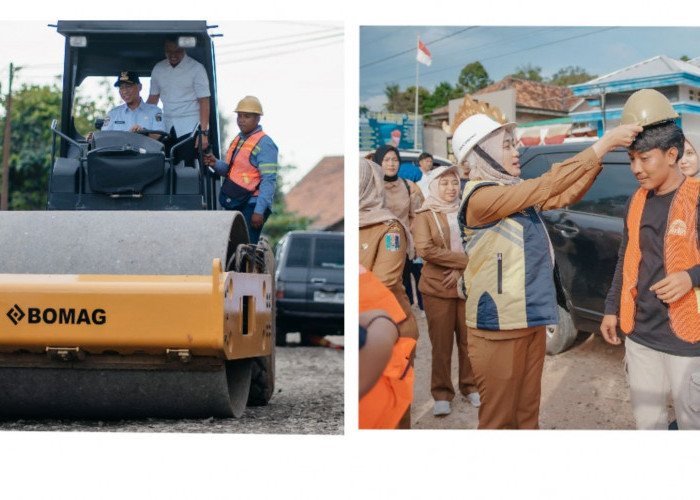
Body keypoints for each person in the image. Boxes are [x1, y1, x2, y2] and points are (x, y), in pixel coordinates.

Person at [455, 112, 641, 429]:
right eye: (507, 145)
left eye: (515, 144)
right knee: (499, 420)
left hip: (529, 317)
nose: (516, 151)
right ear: (481, 152)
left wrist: (601, 157)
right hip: (498, 325)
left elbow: (563, 193)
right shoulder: (481, 197)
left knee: (528, 415)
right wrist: (604, 142)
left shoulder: (511, 194)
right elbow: (547, 185)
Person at [600, 89, 700, 430]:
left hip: (689, 339)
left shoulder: (697, 198)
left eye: (644, 158)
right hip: (641, 334)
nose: (636, 169)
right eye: (631, 159)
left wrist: (692, 276)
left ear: (672, 154)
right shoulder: (637, 201)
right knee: (649, 425)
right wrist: (611, 308)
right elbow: (625, 258)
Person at [413, 165, 479, 416]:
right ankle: (441, 393)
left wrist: (462, 271)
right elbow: (425, 249)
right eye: (444, 183)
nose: (451, 188)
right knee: (441, 344)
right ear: (433, 186)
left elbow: (478, 242)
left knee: (468, 341)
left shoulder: (467, 210)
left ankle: (470, 386)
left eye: (454, 182)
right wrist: (461, 262)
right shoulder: (425, 214)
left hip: (466, 285)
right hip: (437, 288)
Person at [359, 157, 419, 428]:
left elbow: (383, 282)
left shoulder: (389, 228)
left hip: (390, 330)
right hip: (362, 327)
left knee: (391, 411)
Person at [203, 96, 278, 245]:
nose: (241, 120)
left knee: (245, 248)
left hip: (253, 204)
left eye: (247, 116)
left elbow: (269, 180)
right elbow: (233, 172)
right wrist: (215, 164)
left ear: (258, 119)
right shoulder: (239, 140)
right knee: (231, 247)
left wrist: (259, 211)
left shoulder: (265, 144)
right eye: (239, 116)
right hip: (238, 200)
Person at [147, 36, 210, 166]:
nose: (173, 55)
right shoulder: (158, 69)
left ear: (184, 49)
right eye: (169, 51)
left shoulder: (197, 69)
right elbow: (153, 99)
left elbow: (204, 101)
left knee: (187, 168)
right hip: (166, 125)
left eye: (177, 51)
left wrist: (203, 133)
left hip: (190, 126)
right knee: (161, 164)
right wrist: (140, 120)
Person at [91, 71, 166, 140]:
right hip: (119, 153)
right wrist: (94, 137)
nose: (124, 91)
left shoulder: (154, 111)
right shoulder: (113, 114)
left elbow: (160, 136)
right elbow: (105, 138)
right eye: (121, 88)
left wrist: (144, 132)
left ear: (139, 87)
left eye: (128, 86)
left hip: (147, 153)